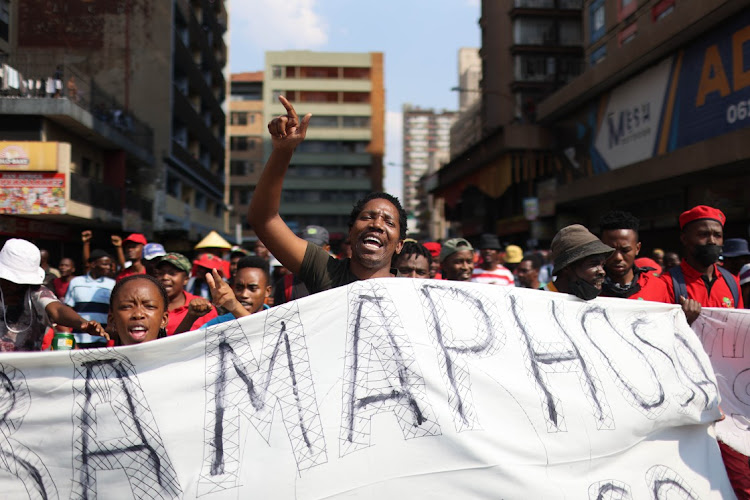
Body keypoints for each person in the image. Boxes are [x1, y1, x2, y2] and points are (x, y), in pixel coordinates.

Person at [247, 96, 405, 294]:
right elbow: (263, 219)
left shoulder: (411, 293)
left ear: (399, 245)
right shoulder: (325, 271)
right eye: (367, 217)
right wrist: (283, 151)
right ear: (351, 231)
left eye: (389, 222)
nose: (377, 225)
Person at [0, 239, 106, 351]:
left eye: (18, 282)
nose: (13, 285)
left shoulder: (36, 292)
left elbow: (57, 310)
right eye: (9, 280)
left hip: (27, 366)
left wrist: (82, 323)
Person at [660, 206, 743, 324]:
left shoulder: (732, 282)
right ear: (684, 239)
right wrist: (683, 321)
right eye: (703, 235)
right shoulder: (666, 284)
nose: (712, 241)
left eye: (717, 235)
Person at [598, 211, 669, 301]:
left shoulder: (657, 287)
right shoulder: (587, 290)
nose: (618, 257)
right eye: (610, 251)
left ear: (637, 248)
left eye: (625, 250)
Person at [545, 224, 614, 300]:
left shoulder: (600, 303)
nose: (602, 272)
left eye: (603, 265)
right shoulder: (536, 302)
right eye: (594, 264)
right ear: (567, 267)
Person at [155, 253, 217, 335]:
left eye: (172, 273)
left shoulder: (203, 307)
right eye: (160, 273)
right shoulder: (147, 306)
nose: (165, 277)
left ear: (186, 279)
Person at [201, 256, 272, 328]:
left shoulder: (278, 321)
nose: (244, 295)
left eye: (252, 288)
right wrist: (191, 317)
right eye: (239, 288)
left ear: (267, 291)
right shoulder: (218, 324)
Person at [272, 225, 330, 305]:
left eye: (316, 248)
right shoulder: (285, 284)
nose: (311, 253)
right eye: (307, 247)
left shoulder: (339, 281)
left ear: (327, 249)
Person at [108, 274, 170, 346]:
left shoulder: (179, 357)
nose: (138, 314)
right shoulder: (97, 356)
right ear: (112, 320)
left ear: (163, 319)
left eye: (149, 306)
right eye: (127, 306)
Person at [64, 249, 116, 331]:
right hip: (78, 336)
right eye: (105, 264)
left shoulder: (112, 284)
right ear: (93, 264)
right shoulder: (76, 282)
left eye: (109, 265)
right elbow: (68, 310)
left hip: (102, 337)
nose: (108, 267)